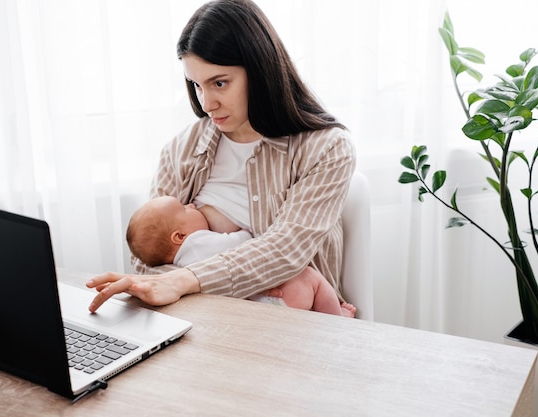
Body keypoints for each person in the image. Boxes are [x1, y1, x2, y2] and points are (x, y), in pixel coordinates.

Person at [87, 0, 357, 314]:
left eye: (219, 83)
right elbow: (147, 262)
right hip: (204, 316)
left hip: (296, 321)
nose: (207, 104)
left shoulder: (326, 148)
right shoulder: (182, 150)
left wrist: (186, 279)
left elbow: (287, 250)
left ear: (260, 70)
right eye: (196, 85)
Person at [126, 195, 356, 317]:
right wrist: (245, 229)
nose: (191, 205)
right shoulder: (198, 244)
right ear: (179, 236)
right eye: (184, 209)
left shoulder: (180, 264)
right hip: (271, 301)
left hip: (251, 312)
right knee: (309, 277)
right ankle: (335, 318)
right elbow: (244, 243)